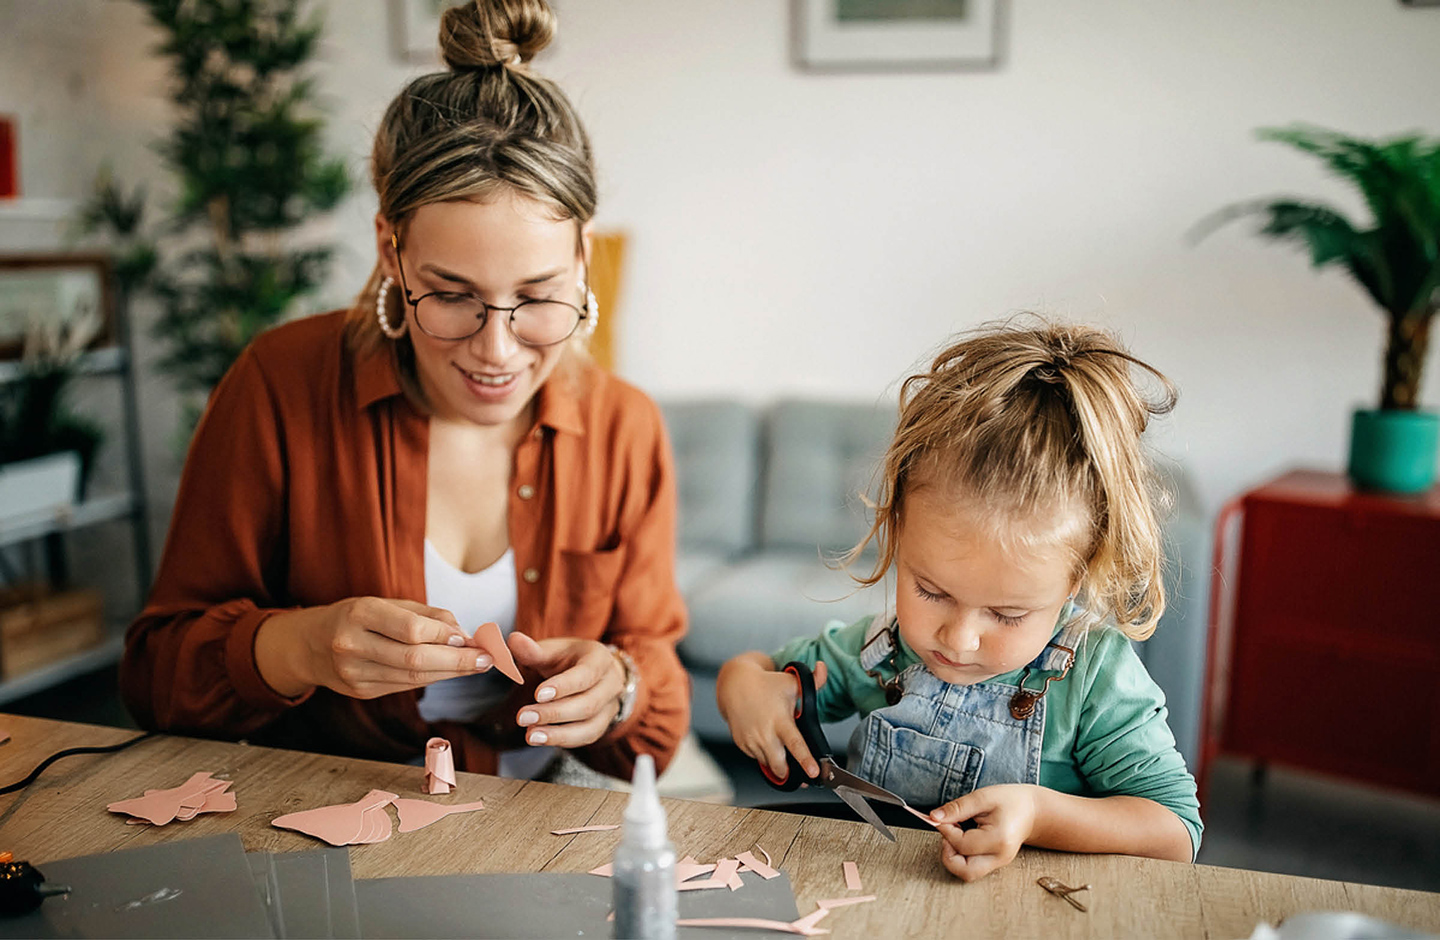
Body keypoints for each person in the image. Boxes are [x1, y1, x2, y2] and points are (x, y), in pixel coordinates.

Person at [121, 0, 689, 781]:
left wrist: (620, 689)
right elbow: (154, 680)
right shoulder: (278, 386)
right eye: (451, 294)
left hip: (538, 825)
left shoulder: (626, 428)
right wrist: (299, 648)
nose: (497, 352)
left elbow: (656, 700)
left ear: (583, 257)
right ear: (392, 248)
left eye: (539, 294)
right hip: (324, 814)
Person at [716, 318, 1201, 882]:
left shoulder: (1095, 679)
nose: (958, 638)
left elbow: (1176, 833)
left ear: (1076, 579)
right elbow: (760, 674)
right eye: (931, 592)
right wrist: (741, 689)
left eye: (1007, 614)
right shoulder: (886, 648)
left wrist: (1040, 814)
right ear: (897, 531)